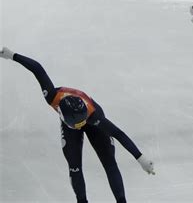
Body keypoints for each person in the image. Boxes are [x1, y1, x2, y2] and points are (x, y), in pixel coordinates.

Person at [0, 47, 155, 203]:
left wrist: (140, 158)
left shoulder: (94, 116)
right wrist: (11, 55)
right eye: (76, 125)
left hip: (92, 120)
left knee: (109, 161)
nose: (79, 127)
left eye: (80, 123)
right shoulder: (52, 95)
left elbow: (118, 134)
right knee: (74, 166)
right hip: (73, 119)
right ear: (62, 114)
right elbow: (37, 69)